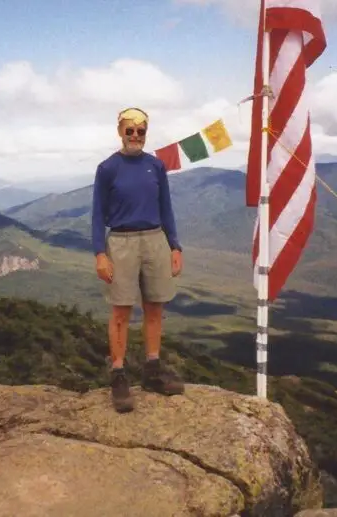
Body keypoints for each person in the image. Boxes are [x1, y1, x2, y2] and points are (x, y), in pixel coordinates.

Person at [91, 106, 185, 413]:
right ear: (119, 131)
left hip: (155, 238)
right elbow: (96, 214)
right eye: (129, 130)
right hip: (121, 241)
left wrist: (174, 246)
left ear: (146, 133)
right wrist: (100, 253)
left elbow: (167, 206)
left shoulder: (155, 166)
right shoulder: (107, 168)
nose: (135, 136)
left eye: (140, 131)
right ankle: (118, 374)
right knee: (120, 310)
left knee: (154, 306)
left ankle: (152, 370)